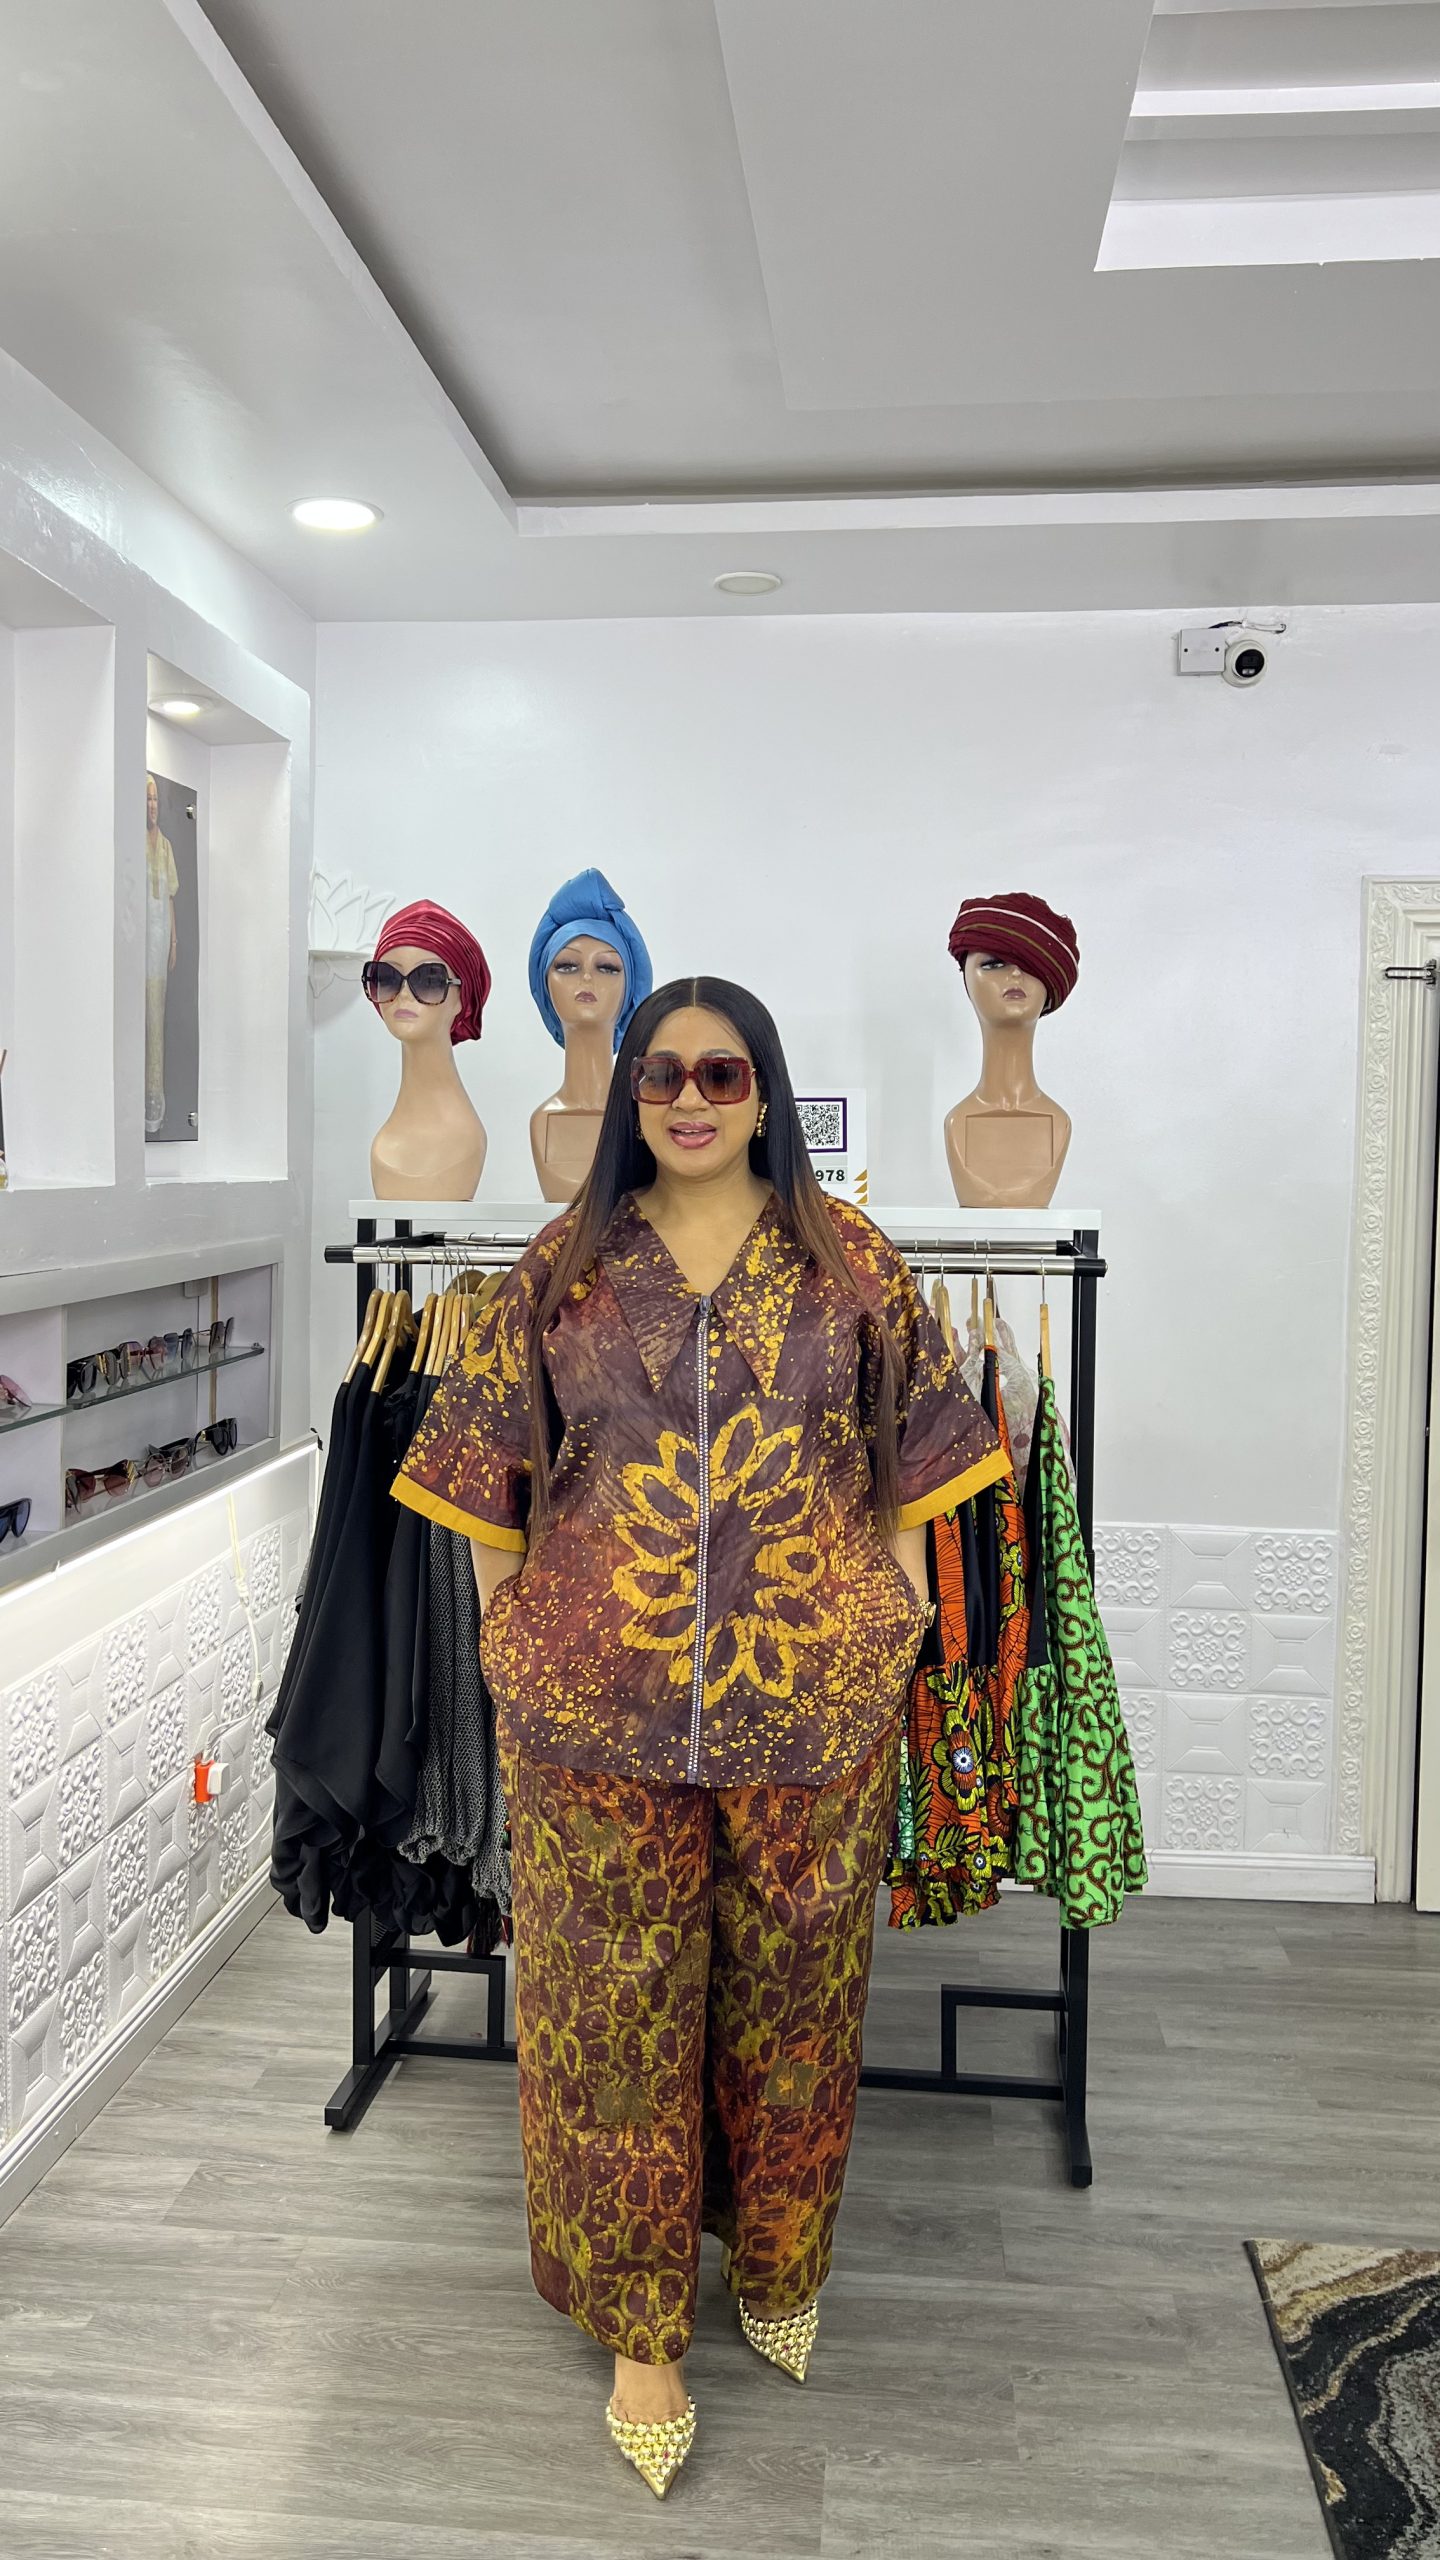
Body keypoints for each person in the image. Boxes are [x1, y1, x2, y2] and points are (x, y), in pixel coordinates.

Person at [392, 974, 1008, 2499]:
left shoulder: (851, 1263)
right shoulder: (565, 1268)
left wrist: (892, 1620)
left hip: (812, 1716)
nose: (686, 1097)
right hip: (592, 1725)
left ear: (764, 1092)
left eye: (720, 1073)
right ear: (632, 1097)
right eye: (660, 1074)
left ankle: (778, 2264)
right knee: (613, 2021)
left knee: (797, 2007)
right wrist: (511, 1639)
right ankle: (641, 2334)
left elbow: (916, 1464)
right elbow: (484, 1474)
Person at [144, 771, 179, 1136]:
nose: (151, 806)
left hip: (158, 942)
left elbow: (169, 897)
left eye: (155, 799)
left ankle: (154, 1107)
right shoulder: (131, 843)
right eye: (147, 800)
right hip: (137, 944)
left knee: (156, 1018)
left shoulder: (165, 846)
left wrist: (173, 941)